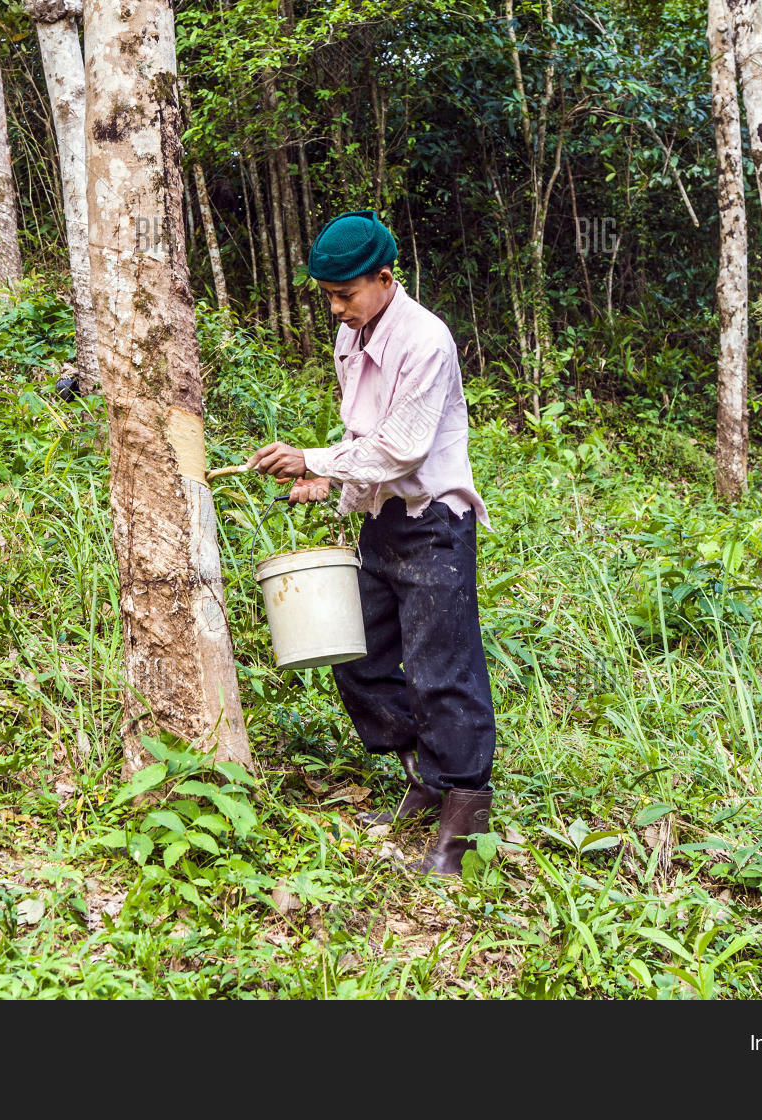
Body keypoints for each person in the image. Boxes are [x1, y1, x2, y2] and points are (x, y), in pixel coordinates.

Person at [249, 210, 498, 877]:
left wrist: (313, 459)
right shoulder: (348, 338)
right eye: (328, 296)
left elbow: (404, 447)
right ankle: (426, 777)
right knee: (352, 651)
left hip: (434, 523)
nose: (336, 307)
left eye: (346, 294)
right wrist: (328, 483)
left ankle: (463, 824)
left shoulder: (426, 341)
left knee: (444, 669)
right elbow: (365, 442)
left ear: (386, 278)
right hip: (381, 522)